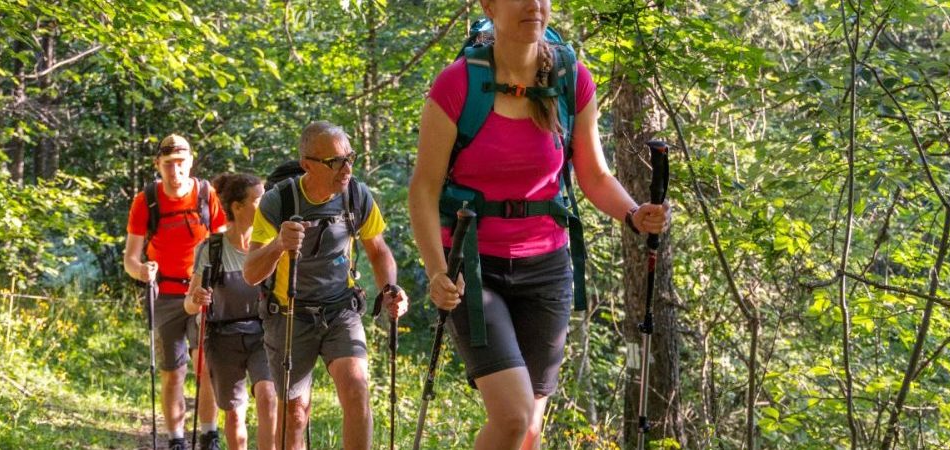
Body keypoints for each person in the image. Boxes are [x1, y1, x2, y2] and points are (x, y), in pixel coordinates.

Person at [406, 1, 670, 448]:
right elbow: (424, 190)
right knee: (513, 416)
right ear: (489, 5)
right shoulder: (458, 85)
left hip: (547, 268)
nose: (535, 5)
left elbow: (595, 175)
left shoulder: (570, 80)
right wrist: (436, 270)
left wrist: (632, 212)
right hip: (473, 269)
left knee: (528, 430)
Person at [243, 121, 409, 450]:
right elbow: (251, 273)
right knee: (295, 412)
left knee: (357, 387)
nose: (346, 168)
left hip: (341, 309)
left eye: (350, 158)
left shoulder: (357, 195)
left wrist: (390, 288)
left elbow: (378, 252)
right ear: (307, 165)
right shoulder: (278, 202)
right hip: (289, 314)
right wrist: (278, 245)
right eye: (335, 162)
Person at [123, 134, 229, 450]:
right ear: (158, 165)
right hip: (165, 294)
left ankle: (209, 434)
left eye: (180, 163)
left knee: (206, 368)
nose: (175, 170)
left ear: (191, 162)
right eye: (168, 164)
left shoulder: (206, 194)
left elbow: (223, 244)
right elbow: (130, 258)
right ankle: (177, 440)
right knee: (173, 372)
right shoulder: (146, 200)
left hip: (200, 293)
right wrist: (142, 271)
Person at [185, 173, 278, 450]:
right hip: (223, 339)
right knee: (235, 415)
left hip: (264, 336)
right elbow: (188, 305)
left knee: (268, 396)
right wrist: (197, 299)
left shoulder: (272, 245)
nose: (265, 207)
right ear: (237, 207)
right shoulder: (212, 249)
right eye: (259, 200)